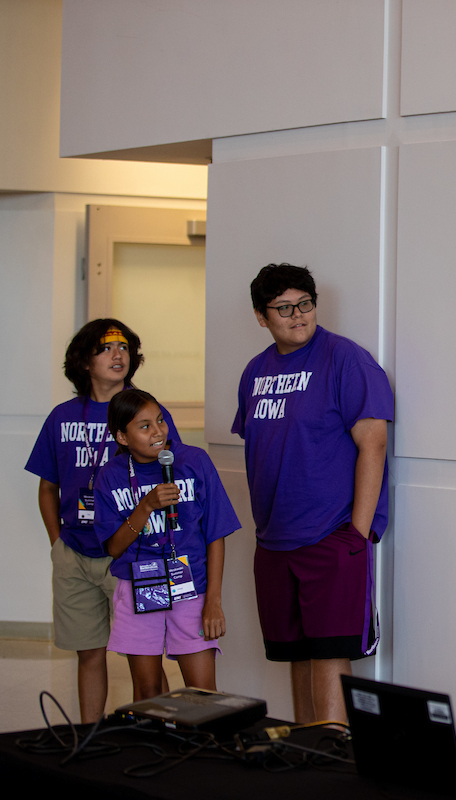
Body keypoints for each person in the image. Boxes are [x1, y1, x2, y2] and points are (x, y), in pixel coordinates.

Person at [232, 263, 392, 724]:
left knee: (329, 653)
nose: (298, 315)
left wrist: (356, 535)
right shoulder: (254, 372)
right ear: (262, 317)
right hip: (275, 542)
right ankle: (306, 755)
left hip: (332, 536)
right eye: (284, 308)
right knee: (294, 653)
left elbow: (373, 444)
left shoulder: (346, 360)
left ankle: (332, 761)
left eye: (305, 304)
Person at [24, 320, 181, 722]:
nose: (118, 354)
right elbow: (48, 488)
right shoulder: (62, 417)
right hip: (75, 552)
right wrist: (58, 542)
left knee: (144, 659)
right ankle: (90, 737)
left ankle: (158, 733)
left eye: (124, 347)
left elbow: (171, 475)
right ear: (84, 361)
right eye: (106, 348)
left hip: (134, 552)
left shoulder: (148, 413)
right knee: (88, 654)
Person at [94, 389, 240, 700]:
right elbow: (113, 548)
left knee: (202, 694)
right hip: (138, 588)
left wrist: (213, 601)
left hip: (192, 590)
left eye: (160, 420)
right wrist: (145, 506)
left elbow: (216, 534)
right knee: (147, 693)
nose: (158, 431)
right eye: (144, 426)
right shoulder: (110, 476)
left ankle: (203, 748)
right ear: (122, 437)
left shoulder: (194, 461)